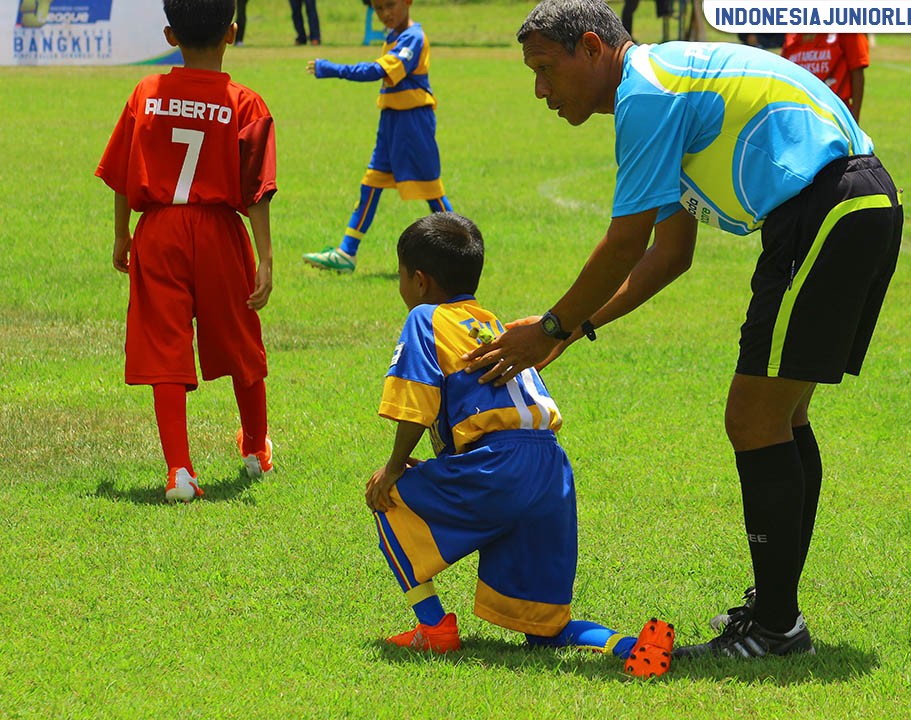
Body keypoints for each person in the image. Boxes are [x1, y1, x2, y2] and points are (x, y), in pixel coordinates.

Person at [464, 0, 903, 660]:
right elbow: (669, 255)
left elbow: (623, 245)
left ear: (591, 47)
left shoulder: (646, 92)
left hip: (829, 205)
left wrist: (553, 323)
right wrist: (565, 333)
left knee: (753, 418)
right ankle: (777, 608)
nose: (539, 90)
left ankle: (777, 627)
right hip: (856, 202)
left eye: (546, 69)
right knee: (781, 416)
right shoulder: (662, 84)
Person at [365, 212, 674, 677]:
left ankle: (433, 627)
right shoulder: (491, 322)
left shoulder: (424, 319)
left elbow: (416, 403)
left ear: (421, 281)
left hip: (498, 464)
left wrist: (392, 469)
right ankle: (631, 647)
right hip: (550, 468)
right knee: (545, 627)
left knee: (386, 499)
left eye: (401, 277)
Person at [95, 0, 277, 502]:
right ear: (232, 33)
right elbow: (257, 189)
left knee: (164, 345)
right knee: (240, 337)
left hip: (157, 231)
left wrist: (121, 233)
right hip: (220, 232)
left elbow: (120, 170)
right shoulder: (247, 102)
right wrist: (264, 256)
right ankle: (255, 449)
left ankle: (179, 471)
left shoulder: (147, 91)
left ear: (169, 36)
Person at [301, 0, 452, 275]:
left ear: (408, 2)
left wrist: (333, 69)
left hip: (413, 122)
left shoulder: (413, 38)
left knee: (432, 191)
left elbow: (378, 71)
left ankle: (462, 248)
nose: (385, 14)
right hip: (392, 121)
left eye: (390, 6)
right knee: (371, 183)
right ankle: (347, 252)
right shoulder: (394, 36)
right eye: (378, 8)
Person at [782, 33, 870, 123]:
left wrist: (854, 121)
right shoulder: (791, 36)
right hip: (799, 117)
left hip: (834, 116)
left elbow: (857, 70)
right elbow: (784, 76)